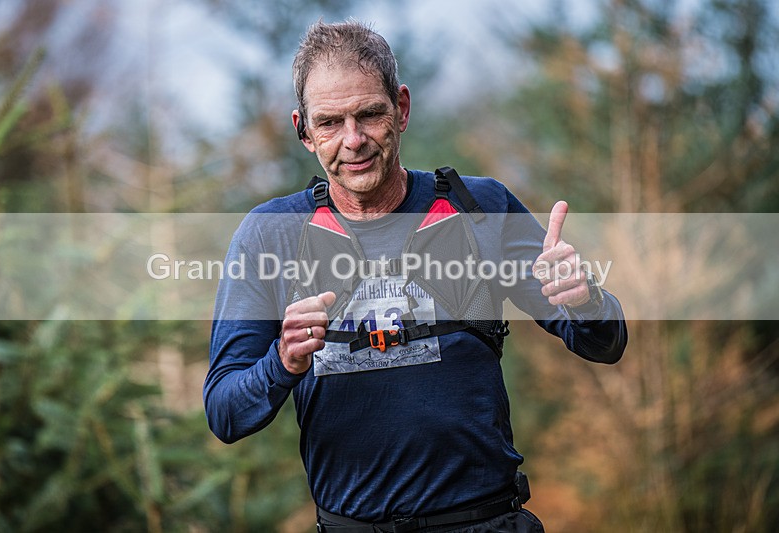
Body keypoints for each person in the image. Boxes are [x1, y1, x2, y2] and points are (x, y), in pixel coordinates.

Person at [204, 19, 627, 533]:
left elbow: (605, 344)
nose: (353, 140)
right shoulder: (271, 234)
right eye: (330, 122)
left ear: (401, 109)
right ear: (303, 130)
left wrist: (585, 301)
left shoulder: (479, 208)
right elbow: (225, 412)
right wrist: (282, 363)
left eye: (370, 114)